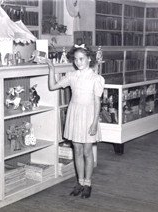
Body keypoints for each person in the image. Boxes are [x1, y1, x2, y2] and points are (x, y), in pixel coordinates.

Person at [46, 44, 105, 198]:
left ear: (89, 59)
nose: (78, 62)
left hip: (88, 116)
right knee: (77, 150)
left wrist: (94, 123)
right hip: (75, 114)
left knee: (87, 151)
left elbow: (97, 102)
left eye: (81, 59)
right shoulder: (72, 76)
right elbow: (53, 86)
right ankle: (79, 182)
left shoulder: (96, 78)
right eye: (76, 59)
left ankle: (88, 183)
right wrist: (52, 69)